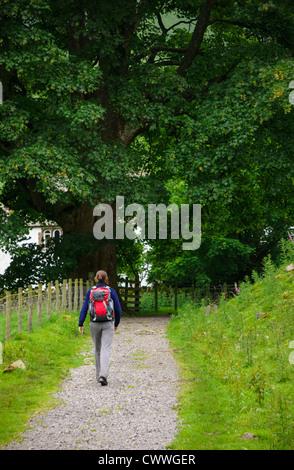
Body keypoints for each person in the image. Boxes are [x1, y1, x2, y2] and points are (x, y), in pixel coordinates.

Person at [78, 270, 122, 386]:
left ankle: (98, 376)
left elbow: (84, 308)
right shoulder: (111, 291)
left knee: (97, 349)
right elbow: (118, 309)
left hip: (94, 323)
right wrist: (116, 323)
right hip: (108, 323)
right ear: (106, 279)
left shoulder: (90, 292)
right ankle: (104, 375)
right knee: (105, 349)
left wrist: (80, 323)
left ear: (96, 279)